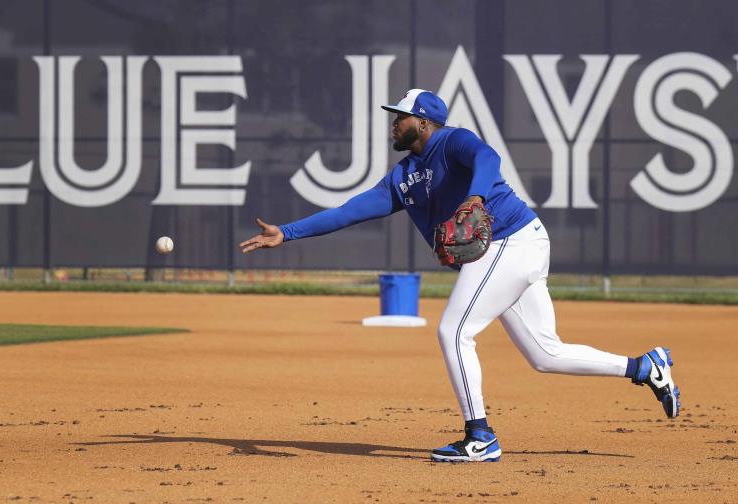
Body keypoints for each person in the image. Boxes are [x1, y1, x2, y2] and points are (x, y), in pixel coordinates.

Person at [238, 89, 680, 463]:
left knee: (453, 331)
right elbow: (351, 211)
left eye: (401, 117)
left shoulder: (453, 142)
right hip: (509, 250)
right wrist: (288, 233)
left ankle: (480, 435)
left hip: (514, 240)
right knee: (546, 354)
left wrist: (474, 198)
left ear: (424, 122)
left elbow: (487, 158)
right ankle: (645, 367)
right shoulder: (404, 177)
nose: (393, 124)